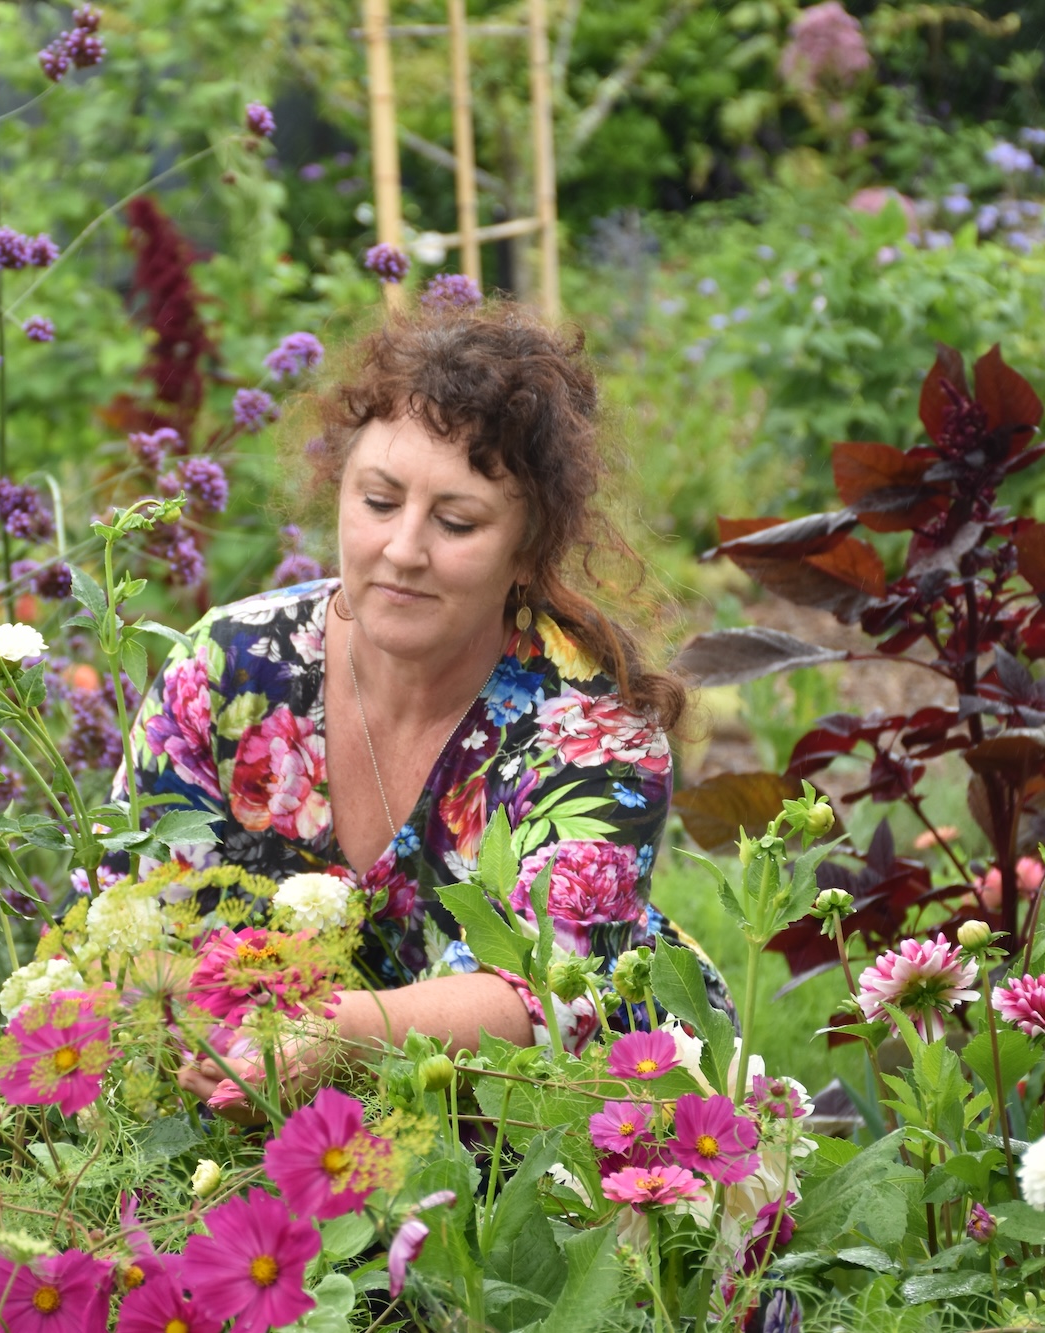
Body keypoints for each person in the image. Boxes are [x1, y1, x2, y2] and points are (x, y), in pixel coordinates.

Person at [119, 301, 719, 1115]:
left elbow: (550, 993)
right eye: (378, 501)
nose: (403, 550)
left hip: (559, 1127)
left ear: (528, 548)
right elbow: (136, 908)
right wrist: (204, 1031)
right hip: (253, 1121)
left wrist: (335, 1032)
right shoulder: (226, 673)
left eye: (456, 520)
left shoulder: (592, 730)